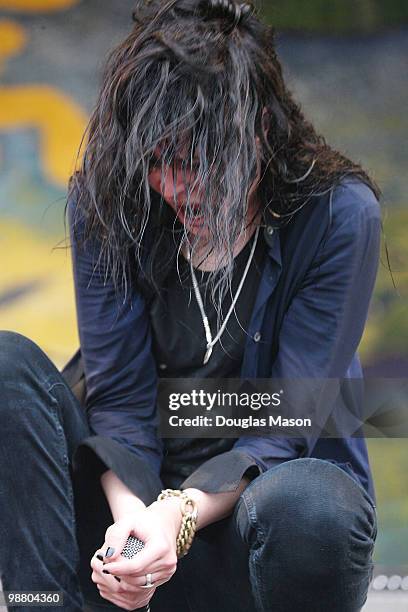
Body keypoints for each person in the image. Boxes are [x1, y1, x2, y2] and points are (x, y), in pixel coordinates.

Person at [0, 1, 381, 611]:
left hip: (260, 538)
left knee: (307, 504)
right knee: (7, 368)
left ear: (258, 130)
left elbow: (284, 431)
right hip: (131, 536)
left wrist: (178, 515)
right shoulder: (110, 202)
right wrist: (136, 530)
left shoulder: (339, 215)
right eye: (157, 163)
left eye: (197, 162)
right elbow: (118, 404)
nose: (176, 187)